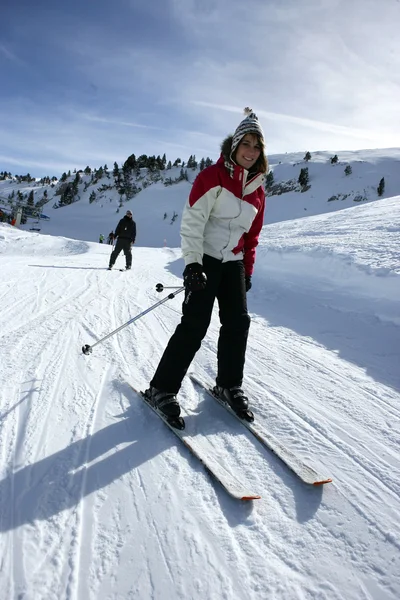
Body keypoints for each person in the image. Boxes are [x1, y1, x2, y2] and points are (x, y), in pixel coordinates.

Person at [144, 108, 268, 422]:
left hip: (234, 264)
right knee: (195, 324)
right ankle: (162, 388)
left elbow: (251, 236)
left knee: (238, 323)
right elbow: (192, 224)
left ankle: (228, 385)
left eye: (257, 146)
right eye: (246, 144)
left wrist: (247, 271)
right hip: (206, 260)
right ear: (235, 145)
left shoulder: (258, 192)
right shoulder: (212, 177)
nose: (251, 151)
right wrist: (192, 265)